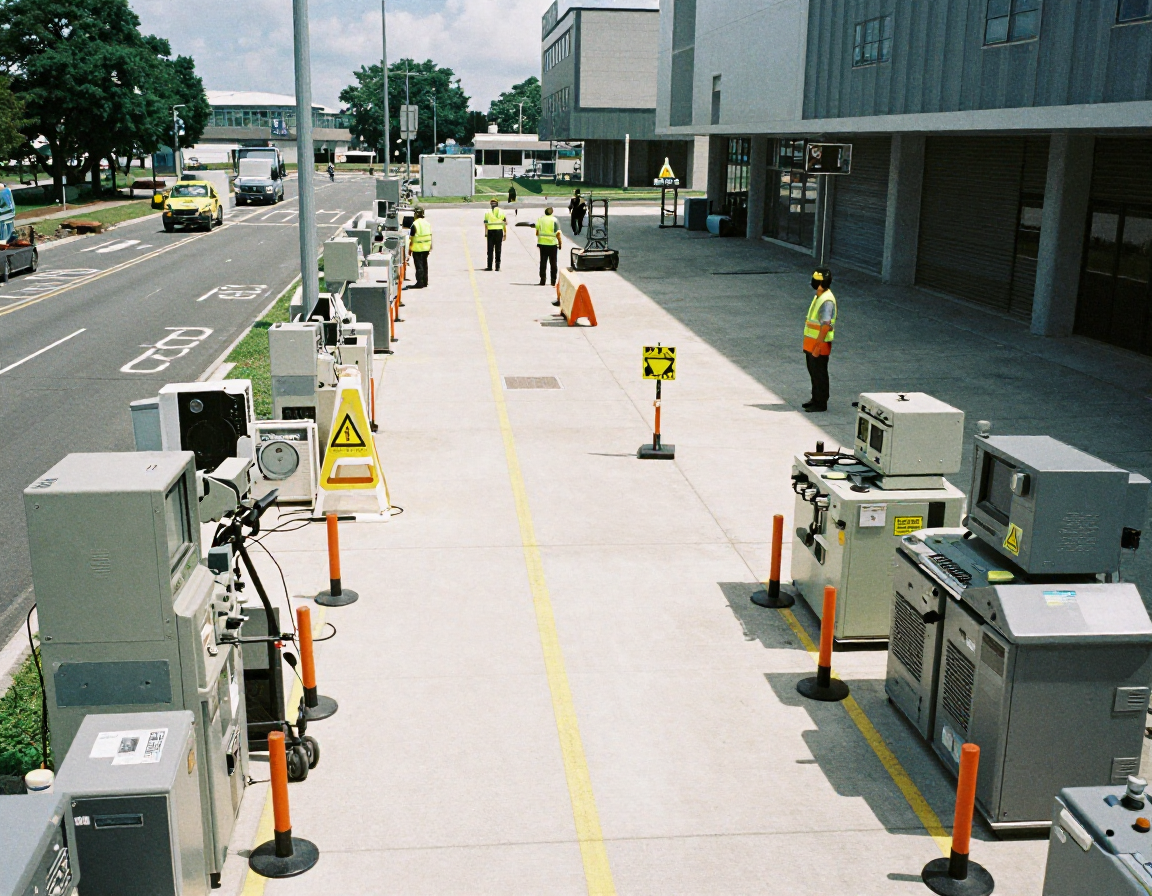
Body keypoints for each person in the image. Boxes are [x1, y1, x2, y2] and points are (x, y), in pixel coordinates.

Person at [802, 267, 836, 413]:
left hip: (819, 344)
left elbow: (825, 326)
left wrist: (817, 346)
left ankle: (820, 403)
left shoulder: (826, 301)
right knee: (813, 372)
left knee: (819, 373)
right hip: (811, 343)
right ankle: (815, 399)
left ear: (821, 283)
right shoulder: (819, 296)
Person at [535, 206, 562, 287]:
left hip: (542, 244)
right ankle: (553, 281)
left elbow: (537, 232)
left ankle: (542, 280)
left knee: (543, 262)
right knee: (553, 262)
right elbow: (558, 233)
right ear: (552, 212)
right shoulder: (555, 220)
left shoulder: (540, 219)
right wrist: (560, 243)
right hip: (552, 244)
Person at [409, 207, 432, 289]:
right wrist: (430, 246)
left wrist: (409, 249)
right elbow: (430, 235)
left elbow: (411, 238)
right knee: (424, 265)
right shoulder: (427, 223)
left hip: (417, 248)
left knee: (419, 266)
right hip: (426, 247)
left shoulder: (414, 224)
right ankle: (425, 282)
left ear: (415, 214)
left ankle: (419, 283)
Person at [483, 199, 507, 271]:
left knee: (490, 249)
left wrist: (486, 233)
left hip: (491, 232)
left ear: (490, 204)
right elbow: (504, 223)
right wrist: (505, 233)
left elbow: (486, 224)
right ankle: (497, 266)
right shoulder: (502, 212)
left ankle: (489, 266)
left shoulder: (487, 212)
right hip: (499, 231)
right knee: (498, 249)